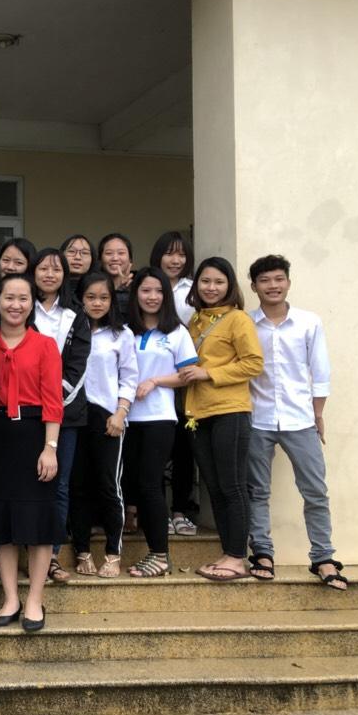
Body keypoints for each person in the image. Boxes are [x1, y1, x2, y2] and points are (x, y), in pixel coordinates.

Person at [246, 255, 344, 589]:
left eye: (278, 279)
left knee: (315, 491)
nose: (272, 286)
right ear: (254, 285)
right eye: (265, 280)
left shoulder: (308, 322)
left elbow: (320, 371)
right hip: (257, 418)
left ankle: (323, 558)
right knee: (257, 490)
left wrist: (318, 414)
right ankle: (262, 553)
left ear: (288, 281)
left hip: (300, 418)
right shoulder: (246, 323)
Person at [0, 274, 63, 632]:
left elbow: (53, 401)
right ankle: (10, 597)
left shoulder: (45, 345)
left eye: (23, 298)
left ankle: (34, 598)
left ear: (32, 304)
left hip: (34, 435)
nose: (15, 305)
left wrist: (50, 447)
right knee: (1, 519)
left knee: (38, 521)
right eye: (9, 298)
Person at [178, 257, 264, 581]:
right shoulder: (197, 321)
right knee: (214, 488)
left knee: (233, 486)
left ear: (229, 286)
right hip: (198, 414)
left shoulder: (238, 319)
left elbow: (253, 363)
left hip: (230, 411)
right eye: (205, 281)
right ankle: (228, 553)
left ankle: (238, 557)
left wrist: (208, 373)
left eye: (218, 282)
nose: (211, 288)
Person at [123, 268, 197, 577]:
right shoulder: (125, 330)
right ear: (135, 294)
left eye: (158, 292)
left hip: (159, 419)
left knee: (150, 485)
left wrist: (155, 380)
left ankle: (159, 555)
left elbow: (188, 374)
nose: (152, 297)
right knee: (129, 483)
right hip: (124, 419)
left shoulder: (176, 332)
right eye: (145, 291)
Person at [69, 271, 138, 579]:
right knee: (79, 486)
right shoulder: (71, 331)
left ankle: (113, 552)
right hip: (75, 415)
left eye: (104, 297)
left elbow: (129, 377)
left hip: (108, 417)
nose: (97, 303)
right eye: (90, 297)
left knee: (109, 486)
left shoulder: (121, 334)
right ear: (80, 299)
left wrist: (121, 413)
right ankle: (82, 550)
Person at [32, 247, 82, 583]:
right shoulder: (20, 307)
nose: (50, 275)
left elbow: (78, 364)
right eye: (43, 269)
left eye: (56, 270)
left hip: (66, 412)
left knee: (59, 484)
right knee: (26, 482)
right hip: (23, 411)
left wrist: (50, 398)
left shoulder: (75, 314)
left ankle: (50, 555)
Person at [150, 229, 199, 534]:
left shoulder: (194, 290)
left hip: (187, 377)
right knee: (154, 451)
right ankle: (156, 511)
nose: (175, 259)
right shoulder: (147, 285)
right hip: (152, 380)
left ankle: (181, 508)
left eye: (181, 253)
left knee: (184, 447)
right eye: (169, 252)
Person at [97, 232, 134, 313]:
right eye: (109, 253)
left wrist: (124, 290)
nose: (115, 258)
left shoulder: (139, 287)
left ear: (130, 259)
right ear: (100, 259)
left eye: (121, 253)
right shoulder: (92, 286)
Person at [60, 233, 94, 308]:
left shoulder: (100, 285)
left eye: (84, 253)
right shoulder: (51, 286)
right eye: (71, 251)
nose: (77, 257)